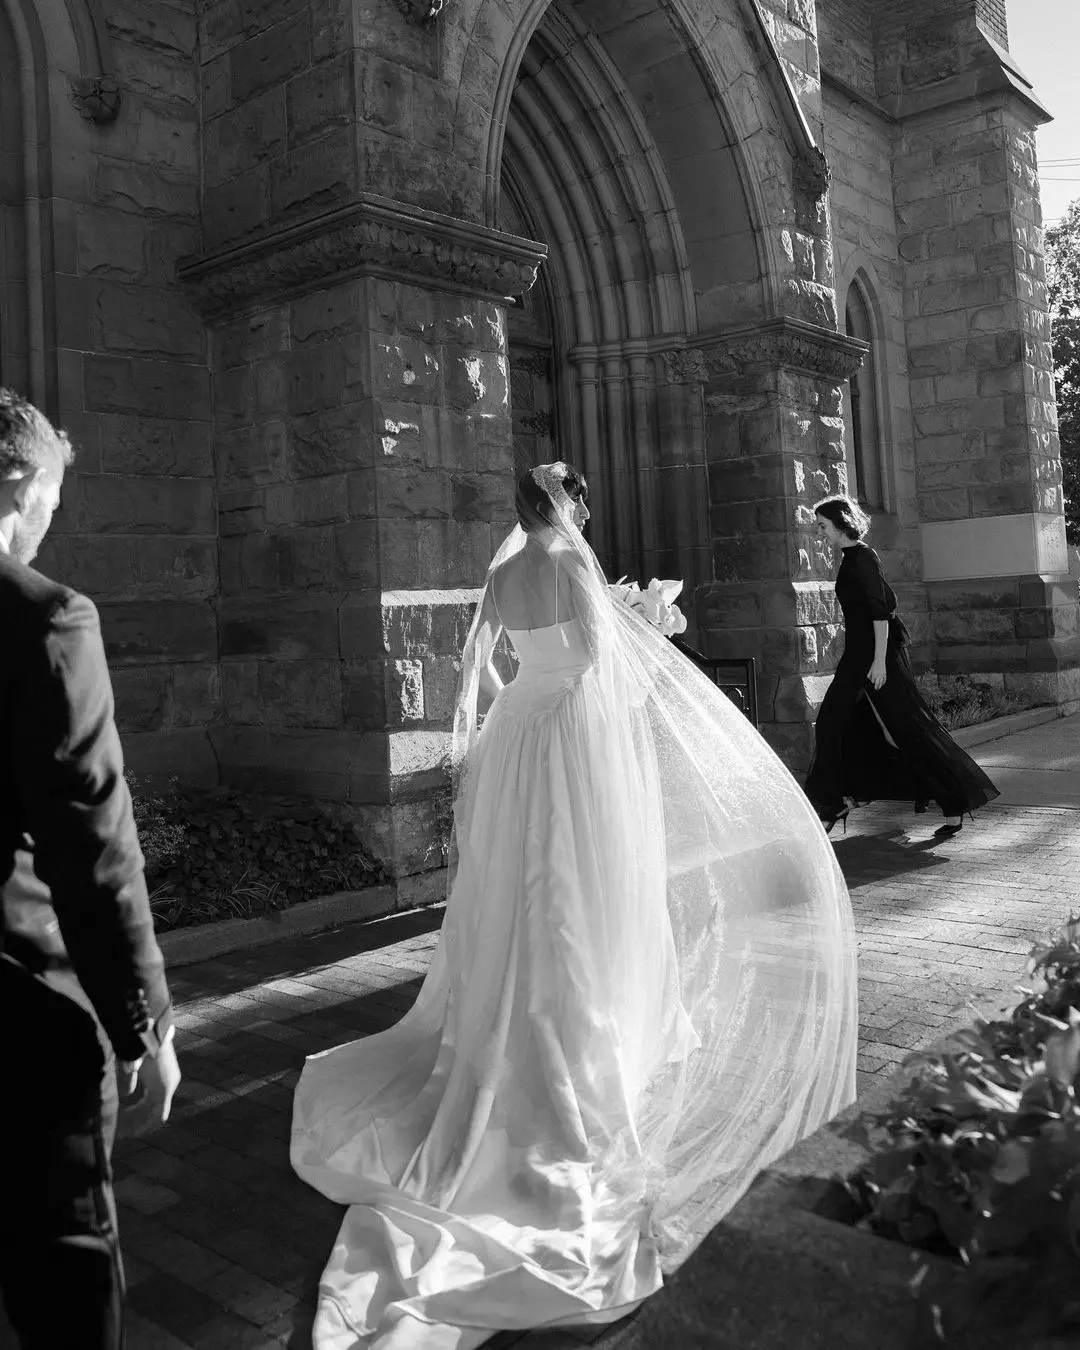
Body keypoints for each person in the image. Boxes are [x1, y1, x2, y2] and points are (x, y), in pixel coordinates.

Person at [292, 463, 857, 1349]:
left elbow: (479, 663)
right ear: (569, 503)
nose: (589, 510)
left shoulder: (504, 570)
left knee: (518, 884)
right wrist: (642, 630)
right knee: (576, 877)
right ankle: (573, 1026)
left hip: (517, 731)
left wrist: (509, 710)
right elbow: (601, 664)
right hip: (565, 736)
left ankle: (512, 1016)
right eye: (584, 498)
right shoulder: (570, 562)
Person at [0, 388, 181, 1349]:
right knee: (64, 1266)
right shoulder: (47, 621)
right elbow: (91, 845)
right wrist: (143, 1025)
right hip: (24, 1010)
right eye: (51, 507)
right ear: (22, 483)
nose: (46, 529)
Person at [805, 494, 1000, 836]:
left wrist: (880, 662)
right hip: (857, 654)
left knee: (907, 728)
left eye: (822, 525)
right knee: (832, 722)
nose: (820, 533)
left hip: (878, 656)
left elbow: (881, 613)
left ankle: (954, 799)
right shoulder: (850, 558)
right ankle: (835, 799)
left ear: (840, 523)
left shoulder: (863, 557)